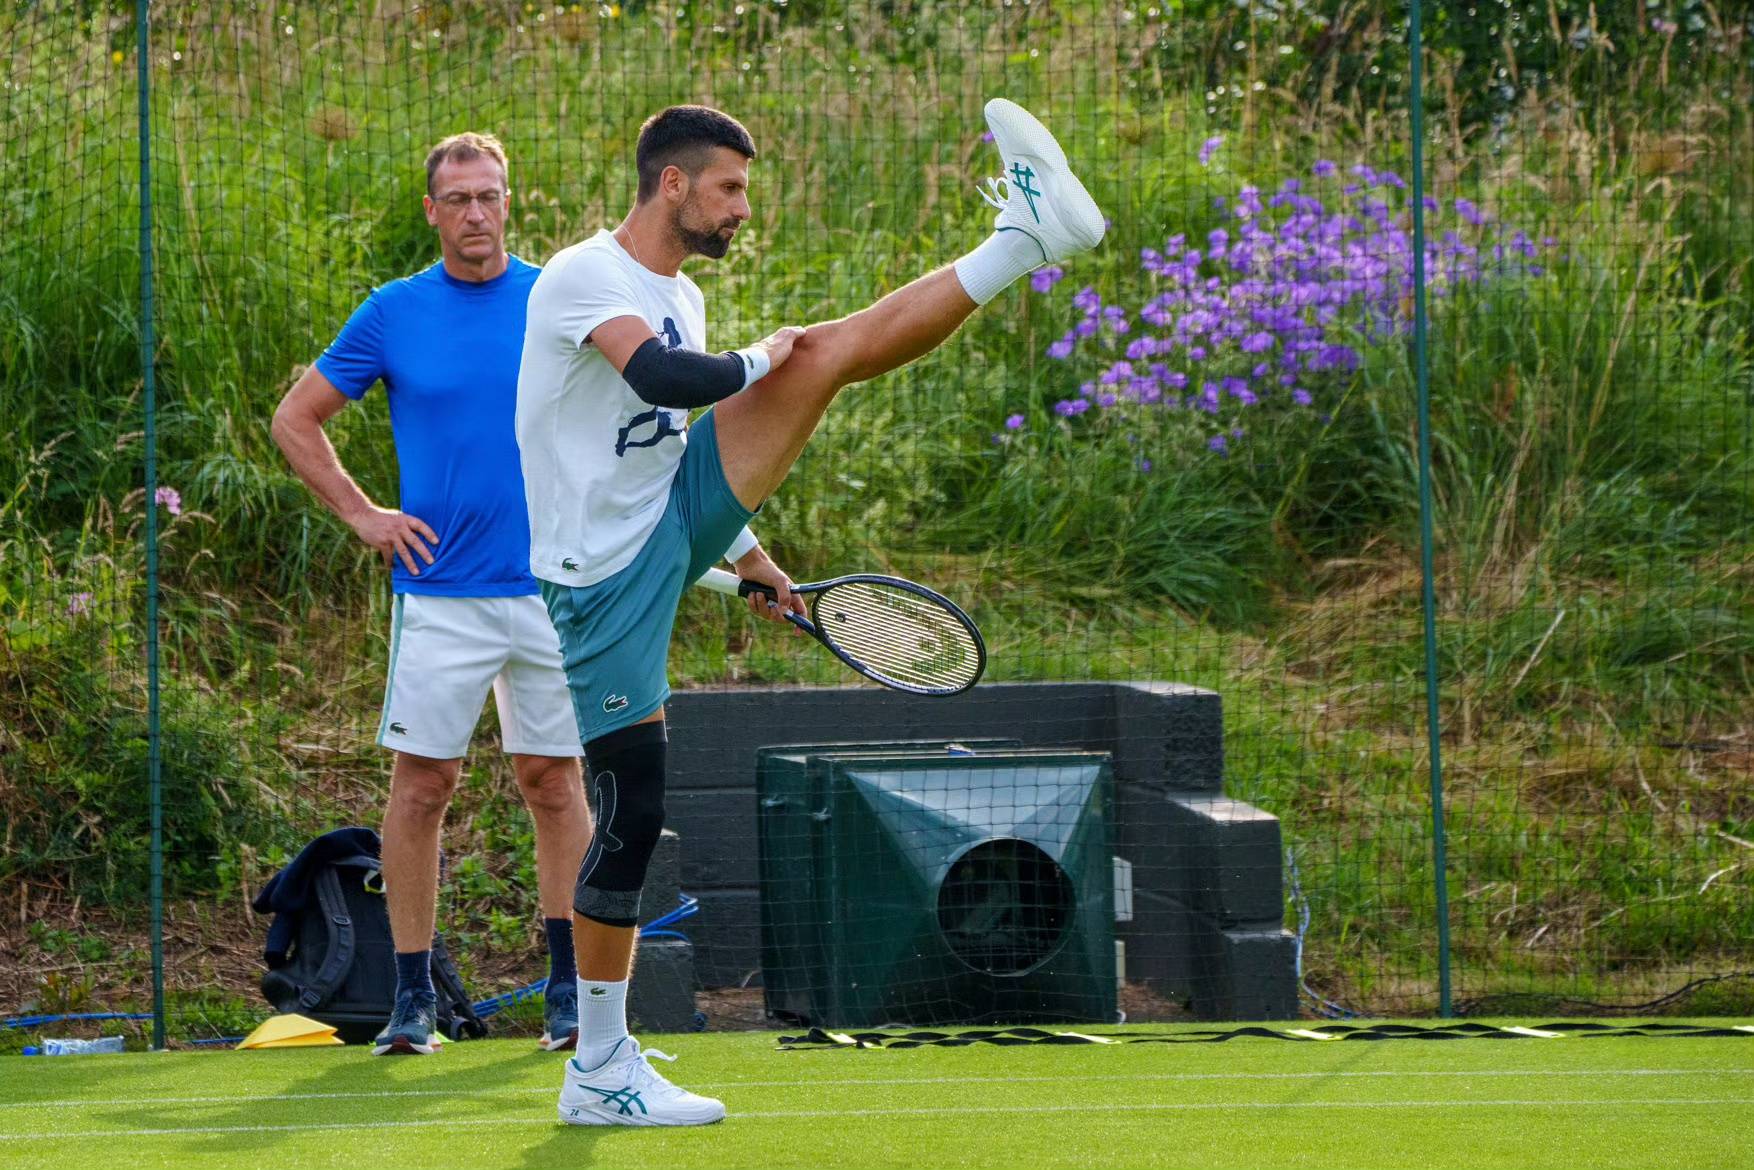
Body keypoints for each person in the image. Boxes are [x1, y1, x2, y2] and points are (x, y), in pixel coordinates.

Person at [515, 98, 1103, 1125]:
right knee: (631, 816)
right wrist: (755, 358)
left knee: (821, 355)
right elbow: (659, 377)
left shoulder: (679, 291)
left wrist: (753, 561)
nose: (744, 208)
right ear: (672, 184)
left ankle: (1022, 238)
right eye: (730, 188)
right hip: (599, 587)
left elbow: (661, 444)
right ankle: (597, 1070)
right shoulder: (583, 276)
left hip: (665, 525)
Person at [270, 132, 794, 1057]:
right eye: (458, 198)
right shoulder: (393, 313)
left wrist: (746, 549)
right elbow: (296, 418)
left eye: (491, 195)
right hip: (440, 593)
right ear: (432, 212)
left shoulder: (573, 291)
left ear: (509, 203)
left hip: (565, 594)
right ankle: (409, 999)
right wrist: (364, 515)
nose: (477, 211)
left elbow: (660, 443)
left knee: (556, 785)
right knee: (423, 785)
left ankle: (566, 998)